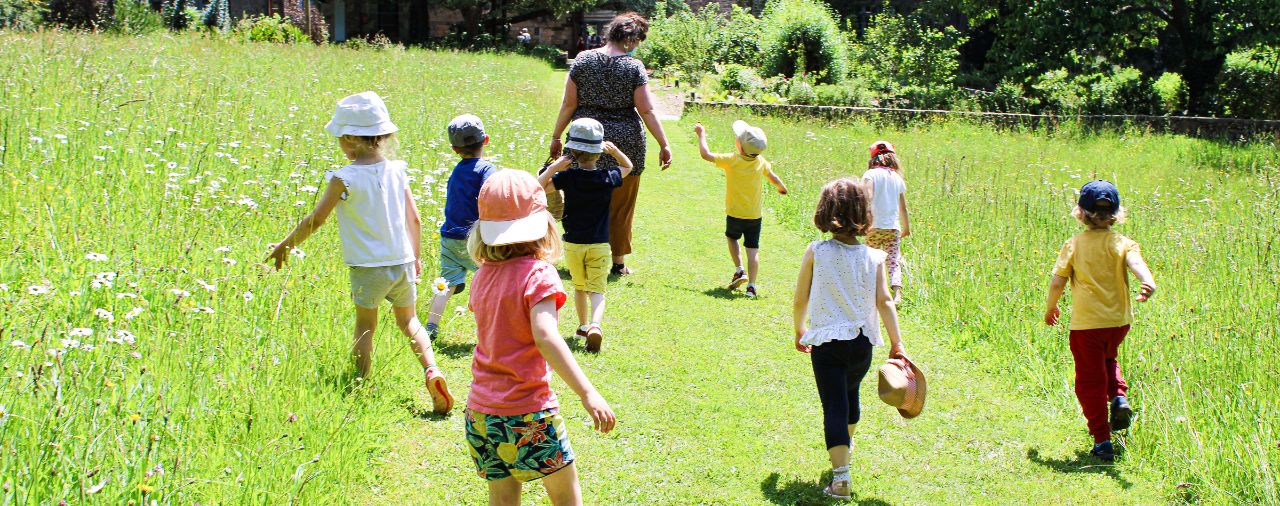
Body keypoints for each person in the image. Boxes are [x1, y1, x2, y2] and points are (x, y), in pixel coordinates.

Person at [265, 92, 453, 414]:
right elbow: (416, 219)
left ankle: (360, 386)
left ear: (350, 137)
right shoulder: (397, 170)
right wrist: (417, 257)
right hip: (403, 260)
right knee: (409, 320)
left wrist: (286, 245)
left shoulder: (344, 178)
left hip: (368, 267)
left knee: (365, 325)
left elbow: (316, 220)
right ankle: (431, 369)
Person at [464, 169, 616, 505]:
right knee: (566, 499)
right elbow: (545, 337)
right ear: (544, 223)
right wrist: (588, 393)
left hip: (481, 413)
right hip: (528, 413)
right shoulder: (539, 274)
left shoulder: (481, 276)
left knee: (502, 499)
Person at [792, 178, 908, 500]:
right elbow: (885, 302)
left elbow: (800, 299)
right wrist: (896, 343)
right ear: (864, 213)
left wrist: (799, 330)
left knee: (834, 407)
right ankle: (847, 445)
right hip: (862, 344)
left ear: (825, 212)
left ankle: (841, 478)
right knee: (851, 395)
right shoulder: (874, 257)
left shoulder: (816, 251)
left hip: (828, 344)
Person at [550, 12, 672, 277]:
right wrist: (663, 143)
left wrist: (557, 136)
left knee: (579, 198)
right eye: (638, 40)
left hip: (584, 139)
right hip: (625, 143)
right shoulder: (633, 67)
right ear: (630, 39)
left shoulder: (583, 60)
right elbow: (647, 111)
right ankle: (617, 263)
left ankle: (578, 255)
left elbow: (569, 104)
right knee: (621, 205)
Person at [1044, 180, 1156, 461]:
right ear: (1116, 214)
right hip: (1118, 323)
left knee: (1088, 381)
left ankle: (1102, 439)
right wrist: (1147, 281)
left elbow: (1058, 281)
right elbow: (1137, 264)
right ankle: (1119, 397)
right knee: (1108, 358)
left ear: (1081, 213)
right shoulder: (1123, 243)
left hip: (1086, 325)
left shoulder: (1074, 245)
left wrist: (1051, 308)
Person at [538, 118, 633, 352]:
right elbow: (628, 167)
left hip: (572, 243)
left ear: (572, 151)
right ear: (599, 152)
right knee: (597, 289)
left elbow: (537, 186)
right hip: (600, 244)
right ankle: (595, 326)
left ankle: (582, 325)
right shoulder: (607, 177)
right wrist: (617, 152)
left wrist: (554, 167)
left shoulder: (567, 177)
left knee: (579, 286)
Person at [694, 120, 788, 298]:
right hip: (754, 215)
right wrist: (781, 187)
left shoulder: (732, 160)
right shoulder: (761, 162)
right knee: (752, 250)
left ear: (740, 145)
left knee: (732, 238)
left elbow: (705, 154)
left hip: (735, 212)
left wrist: (701, 134)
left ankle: (739, 270)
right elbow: (773, 177)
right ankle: (752, 286)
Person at [426, 114, 497, 342]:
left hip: (449, 236)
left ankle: (430, 326)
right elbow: (492, 195)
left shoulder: (456, 171)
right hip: (474, 238)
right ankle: (489, 332)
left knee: (446, 284)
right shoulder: (487, 169)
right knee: (489, 283)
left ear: (455, 149)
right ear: (485, 140)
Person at [861, 141, 910, 304]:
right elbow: (903, 207)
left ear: (872, 158)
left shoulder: (870, 175)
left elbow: (867, 198)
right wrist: (906, 228)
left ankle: (869, 291)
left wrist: (864, 221)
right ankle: (896, 294)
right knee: (893, 260)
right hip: (892, 228)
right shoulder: (897, 178)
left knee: (870, 257)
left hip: (874, 226)